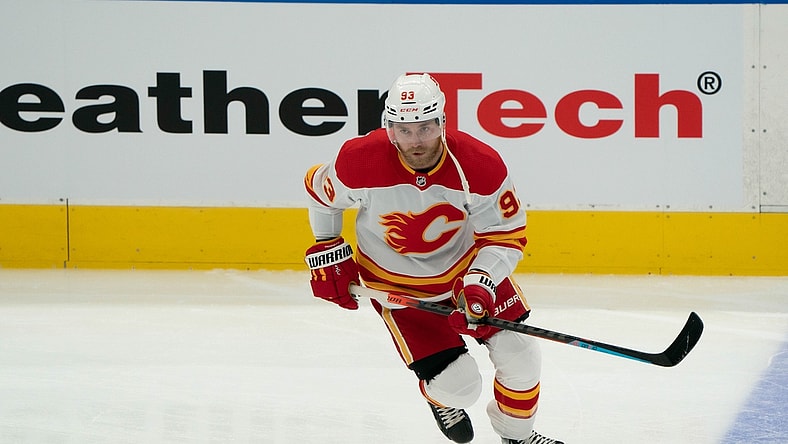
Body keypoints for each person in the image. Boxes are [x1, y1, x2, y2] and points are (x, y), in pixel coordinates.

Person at [303, 73, 563, 444]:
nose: (415, 141)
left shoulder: (479, 164)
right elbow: (319, 191)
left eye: (424, 127)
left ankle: (517, 435)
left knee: (521, 356)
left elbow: (506, 235)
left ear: (441, 122)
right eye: (404, 130)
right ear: (388, 127)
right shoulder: (358, 161)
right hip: (398, 290)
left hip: (465, 274)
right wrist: (327, 249)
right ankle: (439, 397)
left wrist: (481, 282)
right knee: (460, 387)